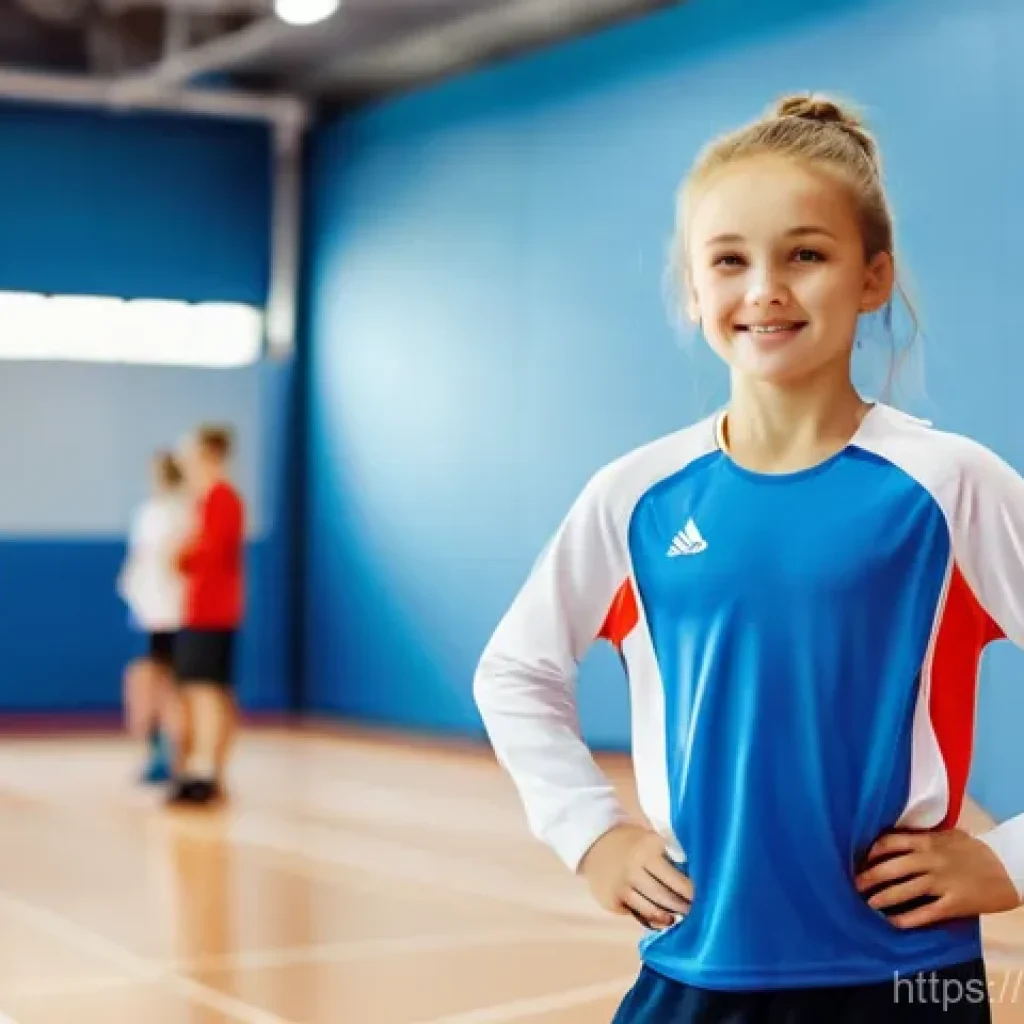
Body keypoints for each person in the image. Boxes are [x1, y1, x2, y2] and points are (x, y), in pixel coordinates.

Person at [473, 93, 1024, 1022]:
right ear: (694, 291)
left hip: (907, 979)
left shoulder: (950, 485)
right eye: (729, 260)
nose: (764, 288)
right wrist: (591, 835)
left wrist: (1007, 861)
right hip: (694, 965)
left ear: (874, 276)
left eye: (806, 254)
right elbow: (515, 671)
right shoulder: (635, 497)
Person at [167, 424, 245, 807]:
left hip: (212, 611)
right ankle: (206, 770)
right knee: (205, 691)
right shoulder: (203, 500)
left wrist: (180, 554)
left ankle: (206, 770)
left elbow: (207, 554)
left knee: (206, 691)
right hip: (202, 609)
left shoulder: (221, 499)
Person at [117, 450, 190, 784]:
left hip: (174, 613)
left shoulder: (183, 513)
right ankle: (154, 749)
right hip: (149, 611)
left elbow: (177, 561)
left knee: (174, 684)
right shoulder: (149, 513)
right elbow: (139, 559)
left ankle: (176, 754)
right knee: (148, 680)